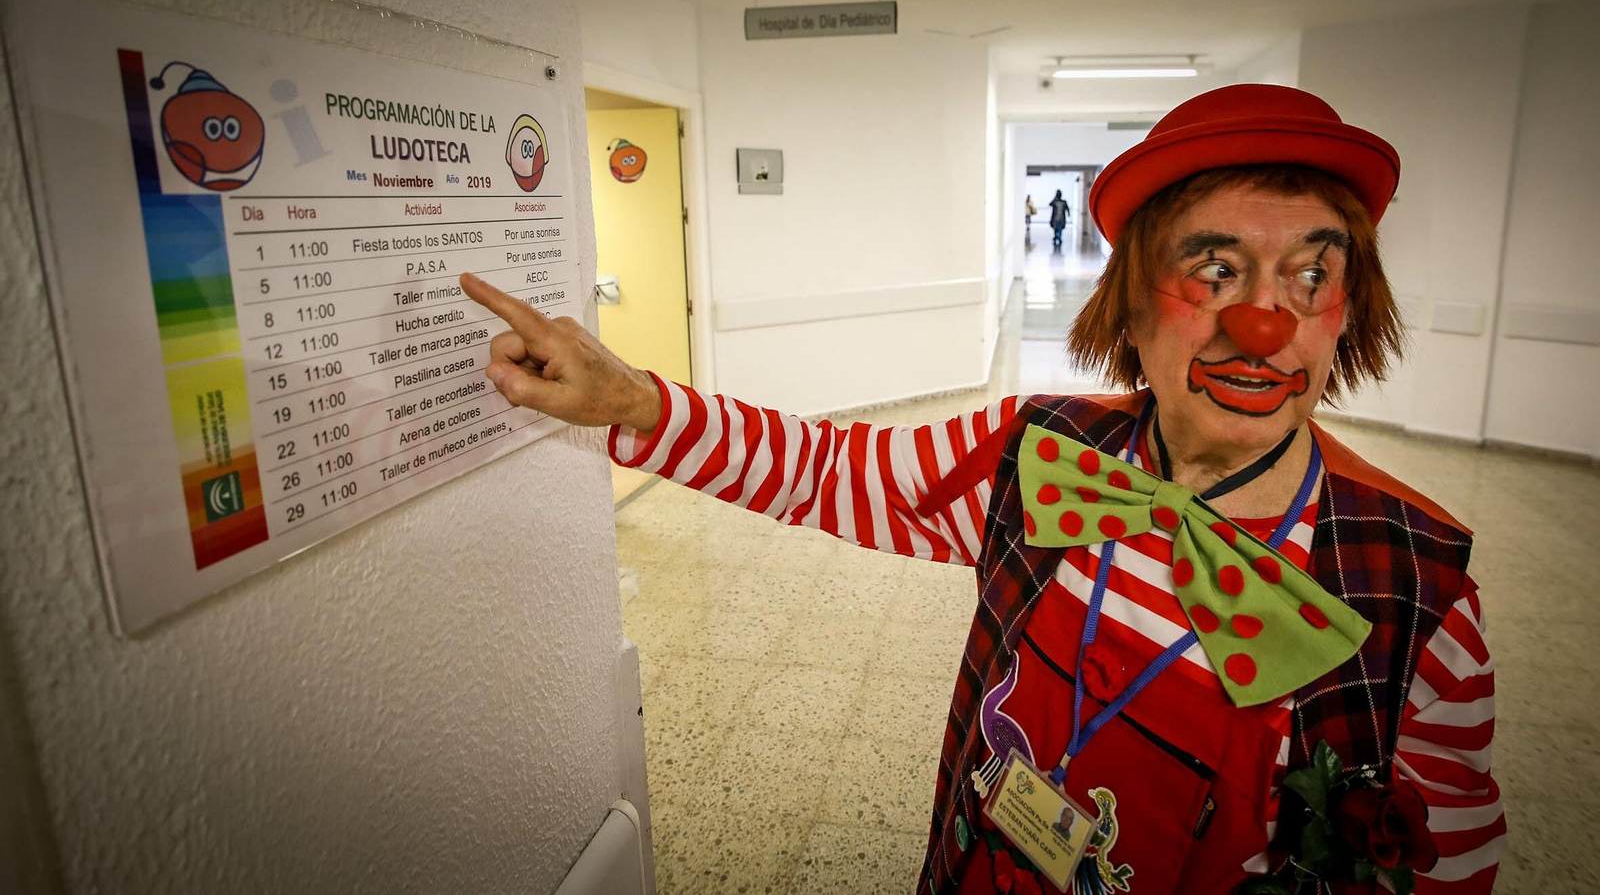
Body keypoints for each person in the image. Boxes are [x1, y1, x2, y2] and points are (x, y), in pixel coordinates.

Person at [459, 84, 1503, 895]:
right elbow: (835, 471)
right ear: (1129, 312)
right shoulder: (1038, 455)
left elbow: (1444, 863)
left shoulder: (1415, 588)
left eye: (1309, 279)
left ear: (1345, 314)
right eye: (1214, 271)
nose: (1262, 322)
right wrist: (634, 403)